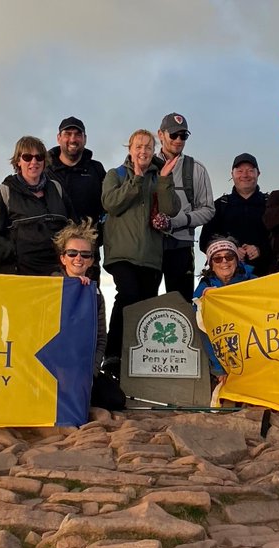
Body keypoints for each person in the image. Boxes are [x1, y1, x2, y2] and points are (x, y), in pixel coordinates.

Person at [100, 129, 181, 370]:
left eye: (147, 147)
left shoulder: (160, 178)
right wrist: (136, 179)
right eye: (138, 146)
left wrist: (166, 180)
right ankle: (113, 355)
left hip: (151, 256)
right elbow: (111, 204)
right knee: (128, 295)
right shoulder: (115, 174)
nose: (143, 151)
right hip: (122, 253)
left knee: (147, 305)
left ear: (153, 150)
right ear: (130, 150)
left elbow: (171, 209)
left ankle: (140, 358)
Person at [52, 222, 123, 410]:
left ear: (91, 261)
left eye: (85, 254)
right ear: (63, 258)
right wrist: (72, 288)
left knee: (115, 399)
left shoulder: (95, 293)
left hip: (81, 369)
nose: (78, 259)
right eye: (72, 253)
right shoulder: (49, 286)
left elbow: (101, 337)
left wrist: (91, 371)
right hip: (51, 368)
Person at [0, 136, 74, 276]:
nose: (34, 162)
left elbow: (74, 227)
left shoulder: (57, 189)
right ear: (18, 161)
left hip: (55, 272)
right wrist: (17, 252)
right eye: (27, 157)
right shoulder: (5, 192)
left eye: (39, 157)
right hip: (20, 274)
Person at [157, 113, 215, 302]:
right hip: (149, 247)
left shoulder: (196, 168)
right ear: (161, 135)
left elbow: (208, 209)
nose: (179, 140)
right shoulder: (146, 164)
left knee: (181, 304)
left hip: (181, 246)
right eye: (173, 135)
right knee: (143, 303)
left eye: (183, 136)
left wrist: (180, 220)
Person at [193, 237, 256, 383]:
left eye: (229, 256)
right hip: (224, 357)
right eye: (217, 259)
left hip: (254, 351)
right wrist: (217, 367)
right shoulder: (204, 290)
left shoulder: (254, 282)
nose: (224, 262)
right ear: (211, 264)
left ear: (237, 260)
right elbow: (203, 331)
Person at [199, 153, 272, 275]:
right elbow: (204, 241)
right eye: (240, 171)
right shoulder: (220, 205)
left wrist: (261, 249)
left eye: (250, 170)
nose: (245, 175)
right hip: (228, 280)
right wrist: (230, 249)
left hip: (266, 276)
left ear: (258, 173)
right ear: (232, 174)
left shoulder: (271, 204)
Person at [48, 118, 107, 226]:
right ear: (58, 138)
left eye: (78, 134)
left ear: (85, 139)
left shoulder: (96, 169)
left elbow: (108, 203)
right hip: (53, 239)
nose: (73, 139)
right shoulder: (45, 169)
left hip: (88, 239)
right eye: (68, 134)